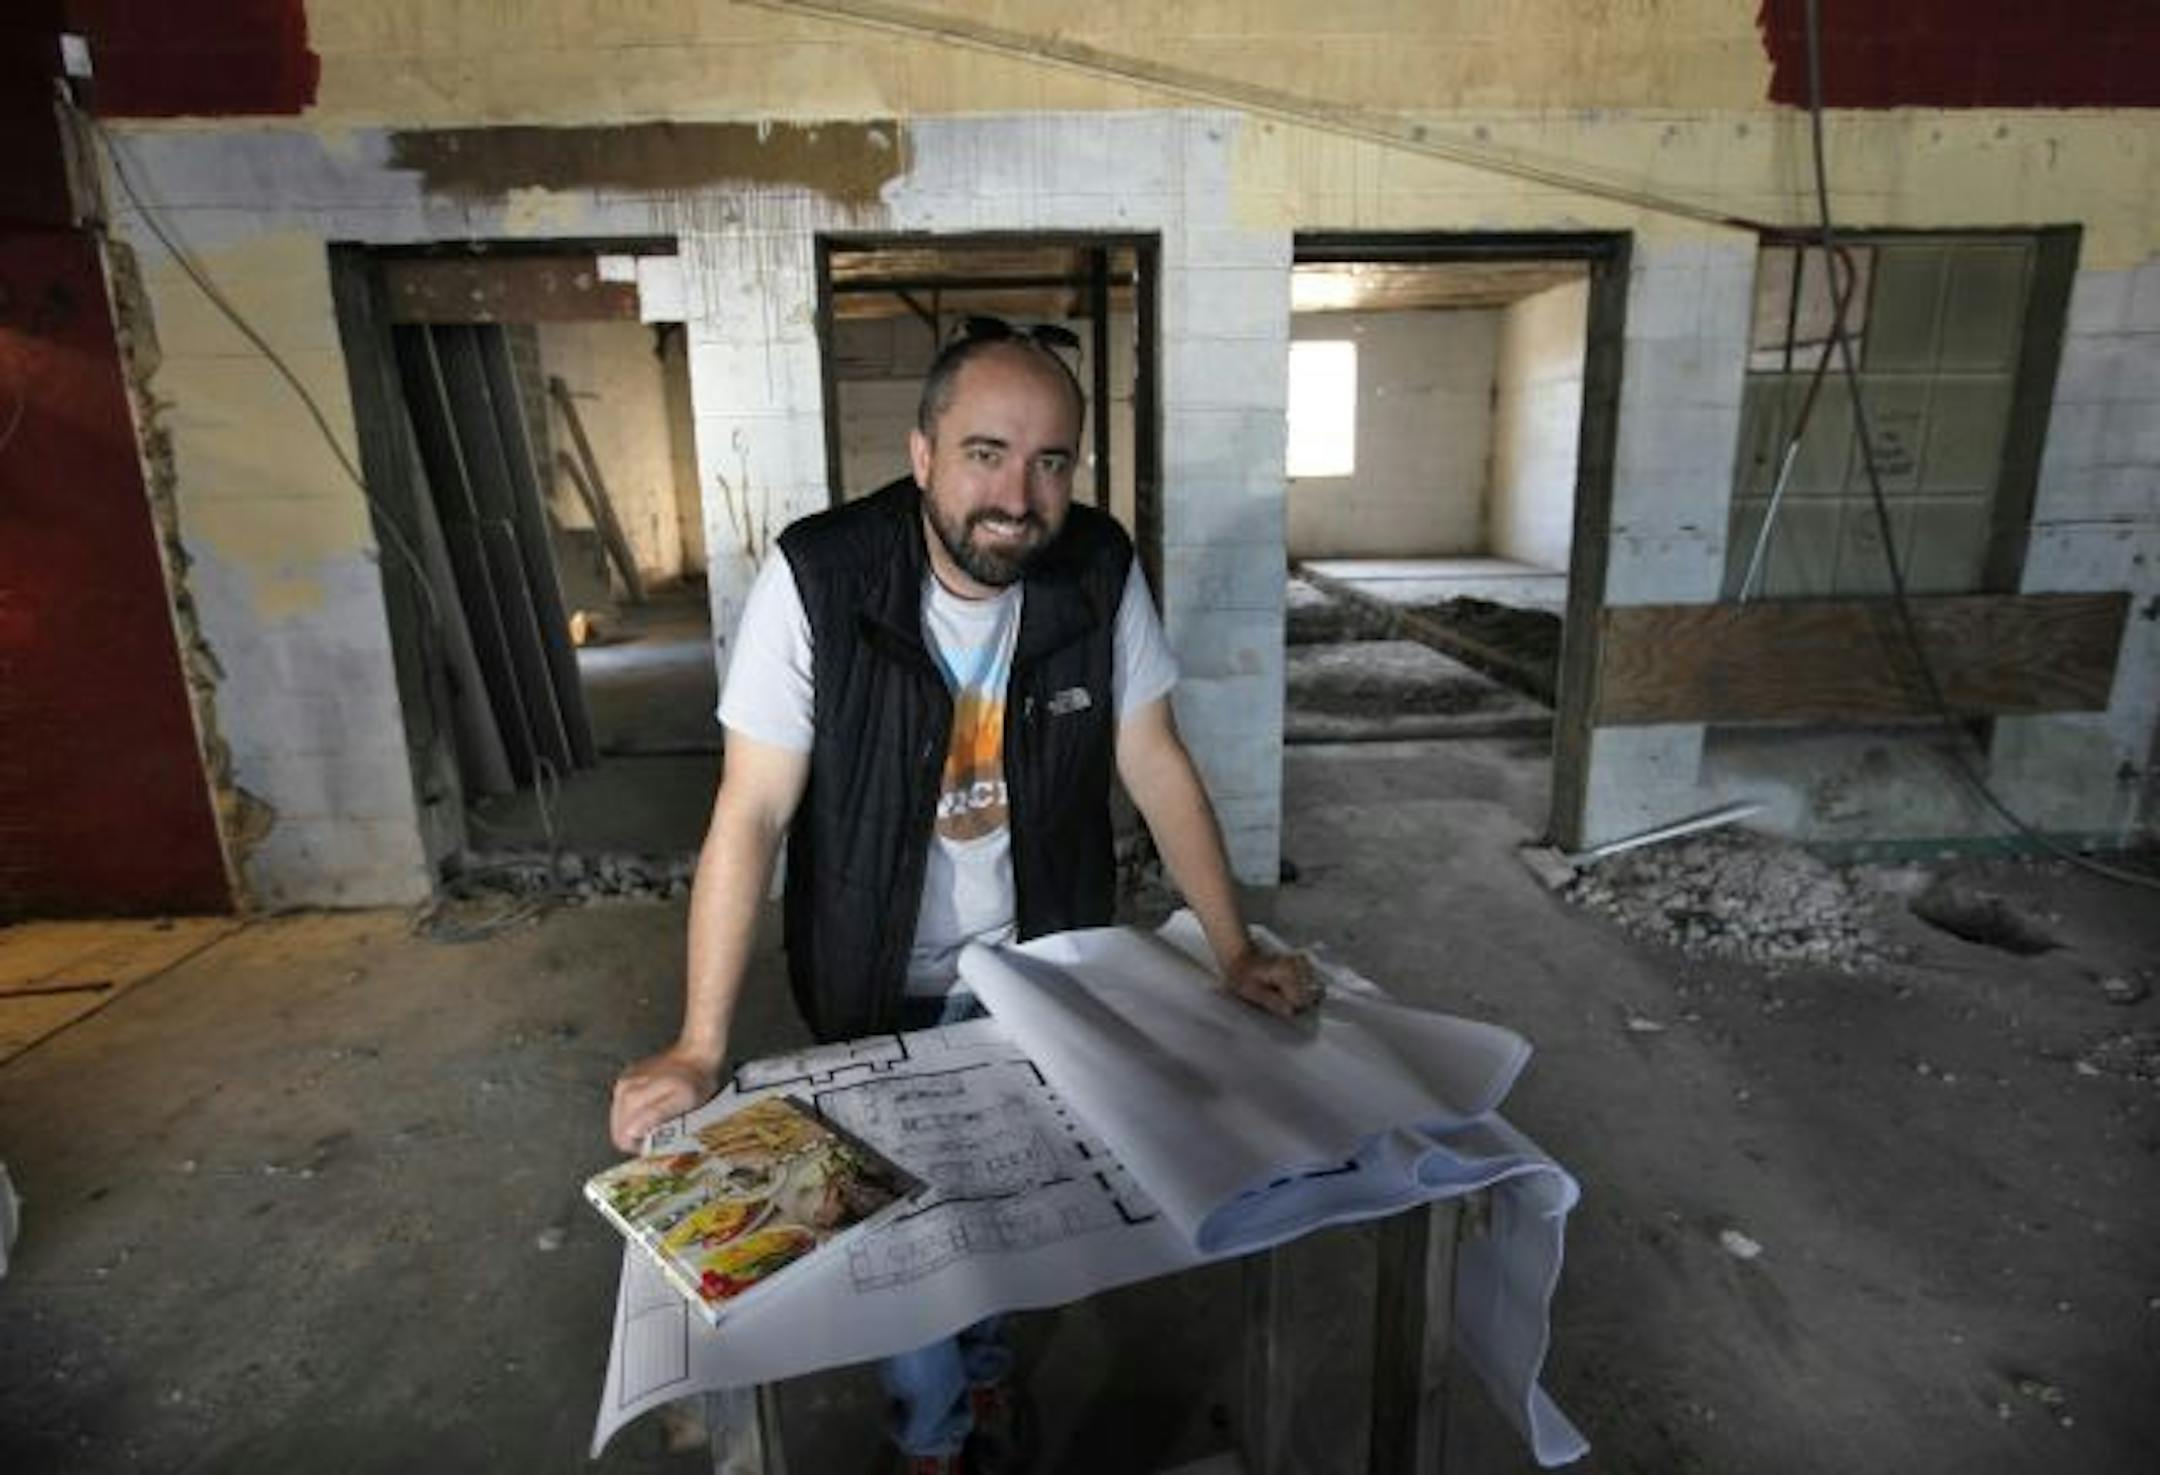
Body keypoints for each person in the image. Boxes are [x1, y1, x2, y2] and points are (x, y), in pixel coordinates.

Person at [610, 316, 1316, 1473]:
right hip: (872, 961)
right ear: (923, 453)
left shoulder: (1095, 567)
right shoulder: (820, 576)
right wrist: (698, 1042)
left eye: (1052, 461)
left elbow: (1155, 761)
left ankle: (982, 1388)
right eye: (987, 451)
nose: (1019, 495)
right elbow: (750, 810)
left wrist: (1233, 949)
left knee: (997, 1199)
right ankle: (933, 1439)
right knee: (902, 1221)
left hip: (1038, 961)